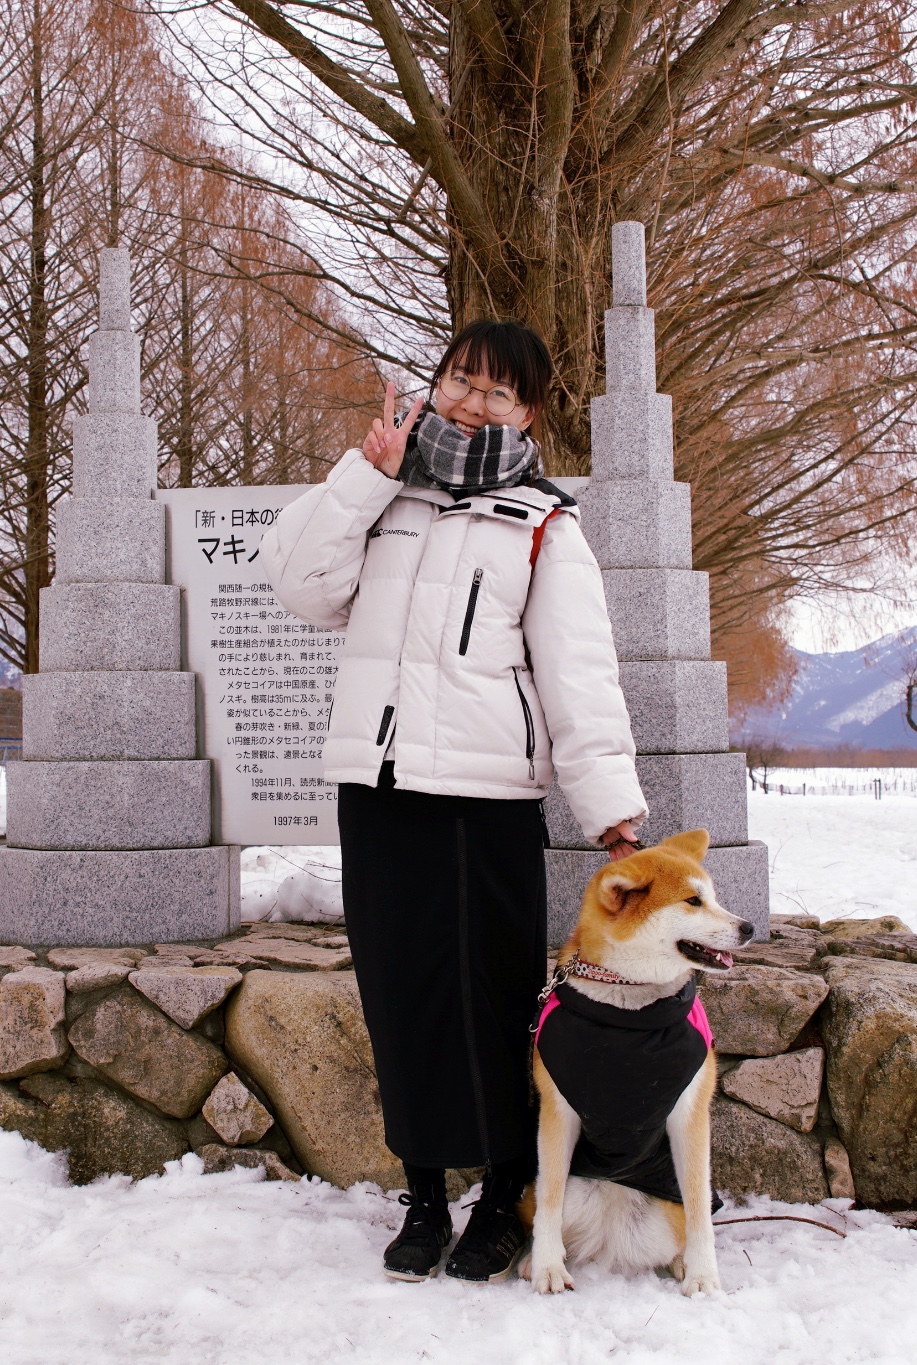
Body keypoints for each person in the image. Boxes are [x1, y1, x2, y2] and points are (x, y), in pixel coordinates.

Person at [261, 320, 647, 1283]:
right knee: (400, 1000)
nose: (474, 399)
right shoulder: (386, 495)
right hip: (381, 791)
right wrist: (363, 472)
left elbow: (580, 676)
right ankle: (425, 1194)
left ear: (530, 411)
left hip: (485, 803)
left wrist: (612, 813)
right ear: (434, 384)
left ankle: (507, 1193)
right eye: (461, 379)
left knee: (491, 1003)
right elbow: (299, 585)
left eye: (498, 389)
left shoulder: (545, 524)